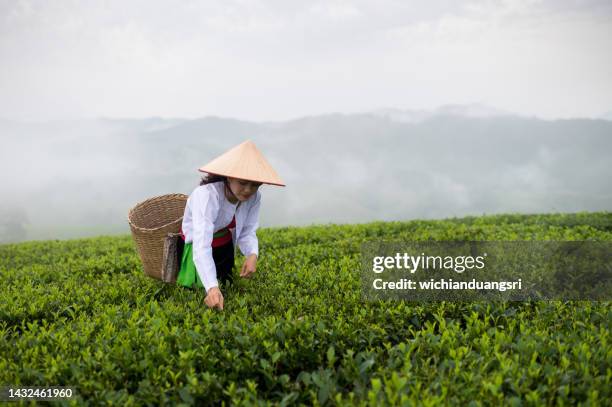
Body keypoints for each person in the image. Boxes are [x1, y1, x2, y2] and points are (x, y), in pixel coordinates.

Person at [176, 140, 285, 310]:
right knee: (197, 292)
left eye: (255, 185)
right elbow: (201, 244)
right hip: (196, 248)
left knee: (226, 284)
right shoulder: (206, 196)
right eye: (242, 183)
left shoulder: (254, 198)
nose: (248, 190)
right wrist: (211, 287)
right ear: (229, 176)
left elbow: (248, 230)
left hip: (224, 246)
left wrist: (252, 254)